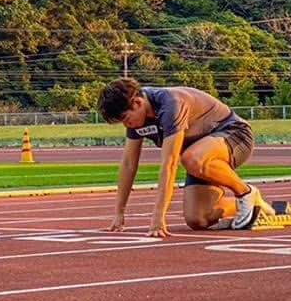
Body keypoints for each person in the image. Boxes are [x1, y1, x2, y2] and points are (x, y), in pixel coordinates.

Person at [97, 78, 273, 236]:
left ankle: (245, 192)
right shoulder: (136, 117)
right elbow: (128, 165)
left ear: (137, 102)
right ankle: (256, 204)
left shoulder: (170, 105)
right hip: (199, 154)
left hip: (235, 136)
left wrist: (158, 217)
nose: (126, 125)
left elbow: (170, 164)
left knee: (190, 159)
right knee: (197, 219)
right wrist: (119, 212)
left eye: (125, 119)